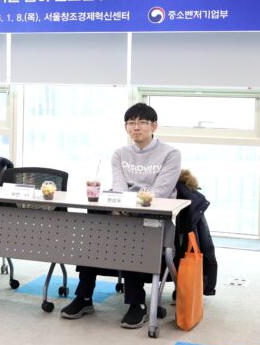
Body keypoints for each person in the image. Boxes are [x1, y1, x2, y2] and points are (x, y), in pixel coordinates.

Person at [61, 102, 181, 329]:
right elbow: (119, 187)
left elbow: (161, 191)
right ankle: (84, 297)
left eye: (142, 122)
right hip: (124, 211)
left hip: (155, 217)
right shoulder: (120, 154)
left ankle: (137, 303)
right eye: (131, 123)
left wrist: (129, 207)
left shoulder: (170, 154)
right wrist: (122, 206)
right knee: (92, 229)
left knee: (129, 233)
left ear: (154, 126)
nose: (136, 127)